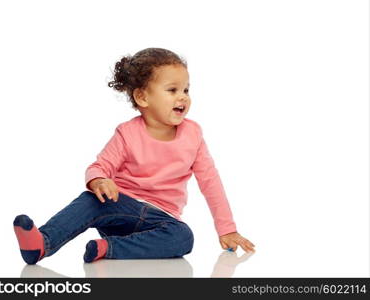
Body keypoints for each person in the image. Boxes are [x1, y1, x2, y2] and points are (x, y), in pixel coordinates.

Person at [13, 47, 255, 265]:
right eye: (172, 90)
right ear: (142, 97)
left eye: (186, 90)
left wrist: (227, 229)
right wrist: (99, 181)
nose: (183, 97)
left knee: (184, 238)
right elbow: (100, 166)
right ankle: (43, 243)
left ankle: (108, 249)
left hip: (161, 219)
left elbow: (211, 182)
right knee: (90, 200)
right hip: (121, 207)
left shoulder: (193, 135)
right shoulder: (127, 133)